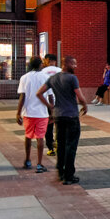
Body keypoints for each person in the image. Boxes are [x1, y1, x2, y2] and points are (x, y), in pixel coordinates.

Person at [46, 56, 86, 184]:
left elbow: (39, 93)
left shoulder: (53, 78)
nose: (76, 66)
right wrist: (85, 105)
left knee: (61, 145)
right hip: (71, 116)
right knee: (71, 146)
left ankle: (60, 172)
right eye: (74, 64)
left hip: (58, 116)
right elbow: (79, 95)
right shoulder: (72, 78)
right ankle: (69, 176)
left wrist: (50, 107)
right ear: (67, 64)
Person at [16, 55, 53, 173]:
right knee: (40, 138)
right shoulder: (46, 77)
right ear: (40, 64)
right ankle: (39, 163)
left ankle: (27, 160)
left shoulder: (24, 78)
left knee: (28, 136)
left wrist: (18, 113)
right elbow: (51, 96)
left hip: (28, 113)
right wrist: (52, 112)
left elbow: (22, 96)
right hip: (42, 113)